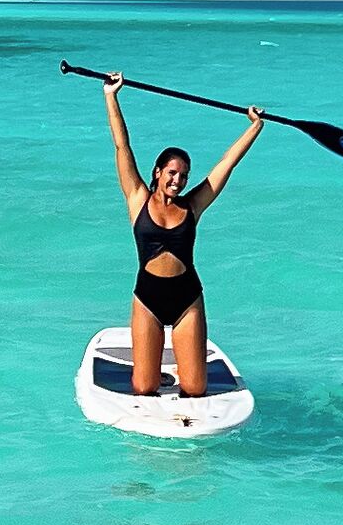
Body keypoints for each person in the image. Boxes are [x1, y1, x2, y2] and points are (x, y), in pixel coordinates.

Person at [101, 75, 263, 398]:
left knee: (195, 388)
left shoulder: (192, 206)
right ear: (158, 172)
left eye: (184, 175)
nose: (179, 180)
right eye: (173, 173)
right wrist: (111, 96)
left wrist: (254, 127)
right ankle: (154, 371)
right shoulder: (137, 199)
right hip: (148, 298)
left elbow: (225, 165)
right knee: (144, 387)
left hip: (187, 299)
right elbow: (122, 145)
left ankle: (182, 364)